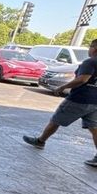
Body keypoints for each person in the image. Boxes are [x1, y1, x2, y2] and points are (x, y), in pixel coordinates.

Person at [23, 38, 97, 166]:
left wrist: (62, 87)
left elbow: (82, 79)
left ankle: (40, 141)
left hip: (79, 99)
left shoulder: (90, 62)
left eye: (90, 46)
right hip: (95, 102)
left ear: (94, 48)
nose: (89, 49)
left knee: (56, 120)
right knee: (94, 128)